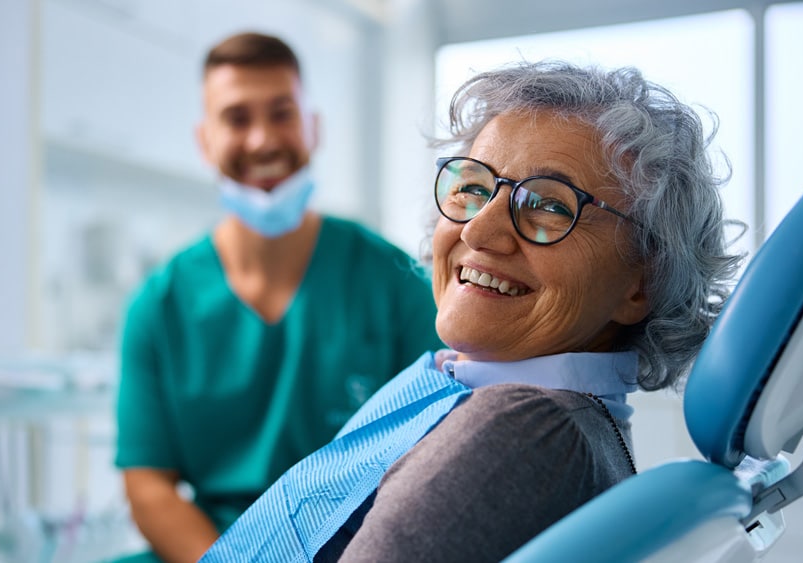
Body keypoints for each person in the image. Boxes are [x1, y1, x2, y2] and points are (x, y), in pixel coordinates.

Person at [199, 60, 744, 563]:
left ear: (640, 283)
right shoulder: (483, 394)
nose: (479, 229)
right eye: (473, 188)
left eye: (550, 206)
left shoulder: (525, 430)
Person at [113, 32, 442, 563]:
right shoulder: (159, 306)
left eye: (282, 113)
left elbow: (440, 453)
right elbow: (149, 488)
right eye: (237, 118)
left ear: (314, 128)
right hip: (209, 551)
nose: (263, 139)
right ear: (205, 140)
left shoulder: (394, 282)